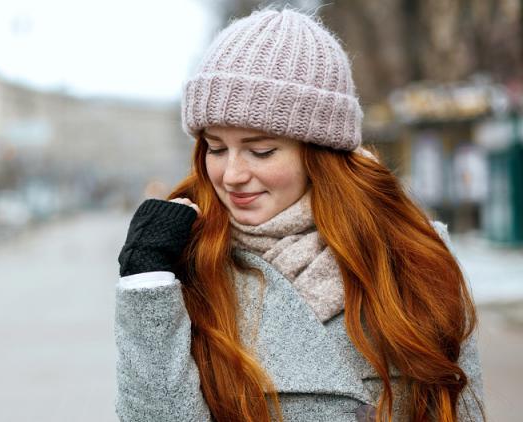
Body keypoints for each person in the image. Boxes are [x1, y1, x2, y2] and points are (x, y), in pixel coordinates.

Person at [115, 8, 484, 422]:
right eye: (216, 148)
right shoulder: (190, 264)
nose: (231, 175)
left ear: (320, 153)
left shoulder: (413, 255)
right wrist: (146, 281)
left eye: (261, 150)